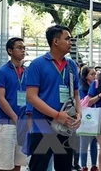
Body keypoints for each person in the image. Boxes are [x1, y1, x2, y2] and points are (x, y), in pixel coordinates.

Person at [25, 25, 82, 171]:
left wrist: (79, 114)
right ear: (55, 41)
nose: (71, 42)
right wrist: (57, 115)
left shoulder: (72, 65)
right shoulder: (37, 64)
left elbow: (76, 93)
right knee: (39, 167)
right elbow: (31, 97)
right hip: (43, 126)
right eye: (67, 39)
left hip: (66, 126)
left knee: (64, 167)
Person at [0, 37, 28, 171]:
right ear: (10, 51)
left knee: (18, 162)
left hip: (24, 123)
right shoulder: (2, 71)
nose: (23, 50)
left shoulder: (28, 71)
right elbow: (1, 99)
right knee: (5, 164)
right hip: (8, 122)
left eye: (24, 48)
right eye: (19, 47)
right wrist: (15, 118)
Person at [78, 66, 99, 171]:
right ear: (86, 76)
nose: (94, 76)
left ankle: (94, 165)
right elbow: (82, 103)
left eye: (95, 74)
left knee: (94, 142)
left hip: (95, 115)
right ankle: (84, 165)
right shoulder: (82, 89)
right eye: (92, 74)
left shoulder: (97, 86)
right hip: (85, 116)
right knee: (84, 143)